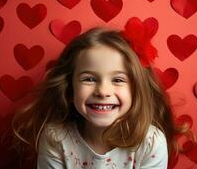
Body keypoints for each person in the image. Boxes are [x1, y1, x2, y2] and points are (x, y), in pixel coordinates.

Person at [11, 27, 188, 168]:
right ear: (70, 89)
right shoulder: (56, 138)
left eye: (118, 79)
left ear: (136, 90)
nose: (103, 91)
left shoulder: (150, 142)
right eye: (89, 79)